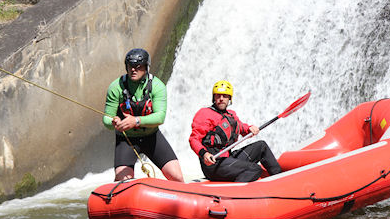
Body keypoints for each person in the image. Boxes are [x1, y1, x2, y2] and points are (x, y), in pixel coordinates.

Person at [103, 48, 184, 182]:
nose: (133, 70)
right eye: (130, 66)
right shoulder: (115, 87)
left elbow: (160, 117)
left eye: (138, 67)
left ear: (146, 67)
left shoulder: (157, 86)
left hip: (151, 137)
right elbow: (106, 118)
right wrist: (113, 122)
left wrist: (136, 121)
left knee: (177, 177)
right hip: (127, 140)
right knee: (123, 181)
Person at [189, 80, 281, 182]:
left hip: (228, 159)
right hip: (213, 164)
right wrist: (204, 154)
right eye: (218, 96)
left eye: (225, 96)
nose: (221, 99)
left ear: (230, 98)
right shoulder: (205, 113)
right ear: (213, 97)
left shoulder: (231, 115)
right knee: (254, 169)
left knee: (261, 146)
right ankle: (234, 193)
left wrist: (250, 128)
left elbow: (242, 127)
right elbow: (194, 139)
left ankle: (280, 180)